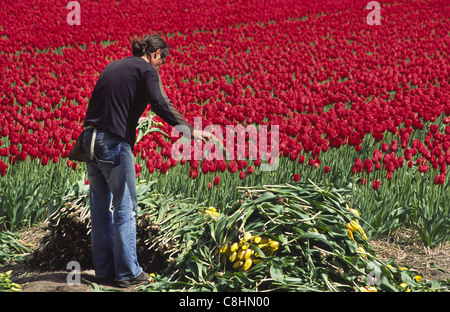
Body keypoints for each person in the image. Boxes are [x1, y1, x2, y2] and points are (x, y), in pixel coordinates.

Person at [81, 34, 213, 287]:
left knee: (99, 208)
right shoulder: (147, 70)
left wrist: (130, 119)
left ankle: (105, 271)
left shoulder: (114, 65)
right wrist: (188, 129)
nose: (161, 65)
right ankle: (128, 274)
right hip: (112, 143)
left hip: (89, 139)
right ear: (156, 53)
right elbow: (160, 102)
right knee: (125, 207)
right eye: (162, 60)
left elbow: (106, 103)